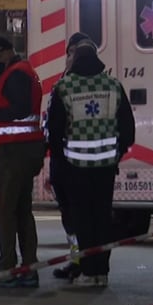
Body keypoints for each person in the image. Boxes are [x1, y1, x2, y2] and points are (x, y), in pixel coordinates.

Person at [46, 40, 135, 287]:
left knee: (83, 220)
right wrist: (117, 152)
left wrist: (60, 157)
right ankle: (102, 272)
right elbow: (128, 128)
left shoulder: (64, 87)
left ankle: (87, 272)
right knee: (103, 219)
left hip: (76, 167)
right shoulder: (113, 85)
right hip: (106, 166)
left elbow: (54, 130)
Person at [0, 35, 44, 288]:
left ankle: (8, 268)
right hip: (24, 151)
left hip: (16, 153)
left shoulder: (16, 74)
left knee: (5, 211)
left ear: (4, 52)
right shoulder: (23, 71)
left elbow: (18, 109)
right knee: (21, 210)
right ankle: (28, 268)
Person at [49, 32, 96, 280]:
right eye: (70, 53)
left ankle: (84, 263)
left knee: (81, 215)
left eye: (76, 53)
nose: (72, 58)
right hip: (66, 161)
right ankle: (78, 258)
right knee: (70, 215)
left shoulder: (70, 86)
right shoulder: (63, 82)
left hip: (75, 162)